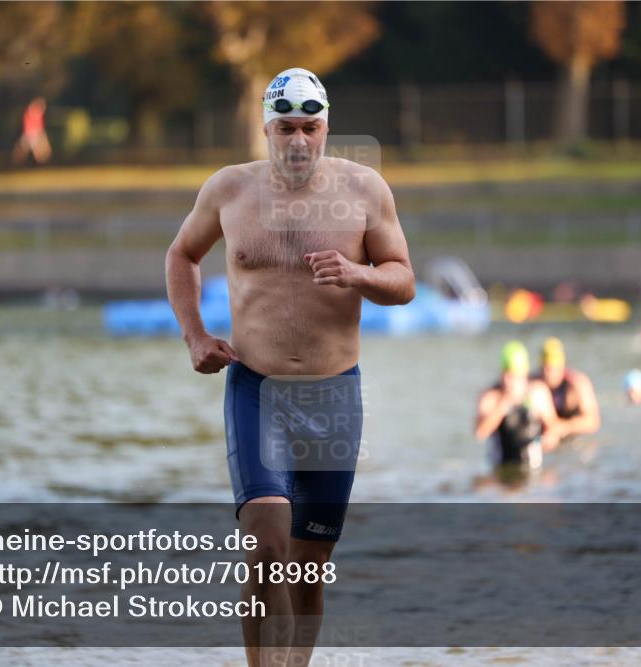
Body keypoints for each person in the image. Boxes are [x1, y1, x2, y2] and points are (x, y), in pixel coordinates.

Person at [165, 67, 415, 667]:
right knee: (265, 545)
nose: (298, 141)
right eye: (285, 128)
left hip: (334, 398)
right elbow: (182, 255)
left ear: (327, 127)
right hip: (259, 391)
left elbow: (403, 280)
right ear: (266, 130)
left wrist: (359, 274)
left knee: (308, 569)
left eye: (310, 126)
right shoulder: (229, 190)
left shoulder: (364, 190)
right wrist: (195, 335)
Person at [476, 341, 561, 471]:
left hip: (533, 467)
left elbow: (553, 426)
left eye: (513, 375)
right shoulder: (491, 396)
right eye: (505, 374)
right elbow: (480, 432)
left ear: (524, 374)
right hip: (500, 468)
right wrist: (503, 405)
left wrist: (549, 438)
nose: (508, 380)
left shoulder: (538, 392)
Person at [534, 337, 601, 439]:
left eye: (552, 368)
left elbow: (593, 421)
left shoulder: (577, 384)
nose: (547, 373)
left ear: (562, 366)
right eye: (544, 368)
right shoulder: (535, 383)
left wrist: (565, 427)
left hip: (571, 436)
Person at [12, 96, 52, 165]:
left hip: (35, 133)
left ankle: (42, 162)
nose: (44, 108)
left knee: (41, 150)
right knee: (24, 150)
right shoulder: (33, 112)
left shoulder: (37, 114)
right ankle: (15, 162)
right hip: (31, 134)